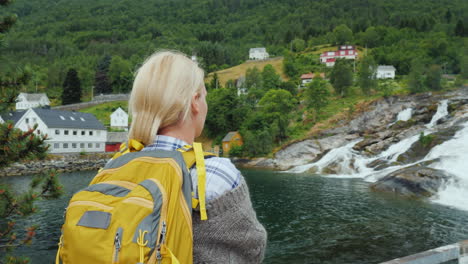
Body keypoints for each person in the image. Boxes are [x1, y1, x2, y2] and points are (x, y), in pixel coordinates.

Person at [127, 50, 267, 263]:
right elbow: (252, 250)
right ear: (194, 102)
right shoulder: (216, 173)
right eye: (204, 97)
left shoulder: (114, 166)